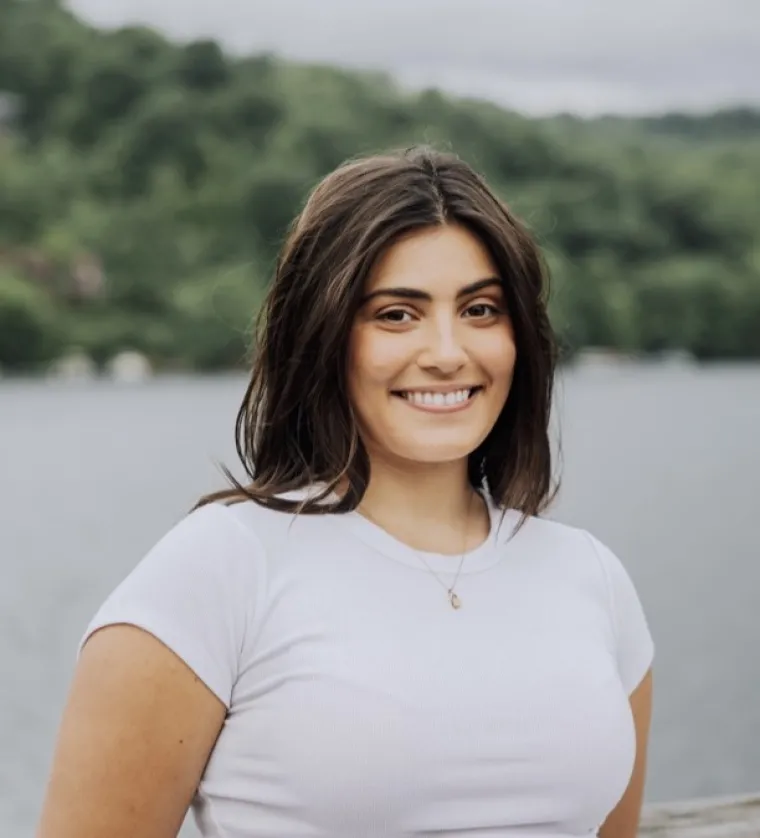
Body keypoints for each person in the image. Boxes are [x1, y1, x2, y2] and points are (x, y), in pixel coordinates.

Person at [37, 147, 654, 838]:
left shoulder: (591, 578)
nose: (448, 351)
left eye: (481, 309)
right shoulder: (218, 570)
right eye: (396, 314)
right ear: (325, 334)